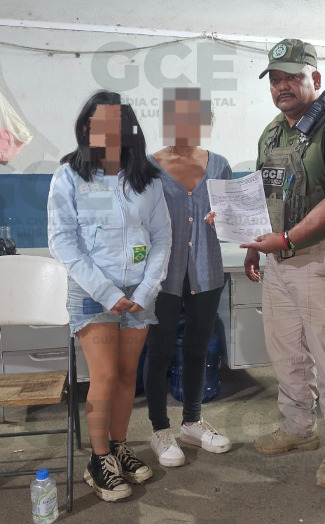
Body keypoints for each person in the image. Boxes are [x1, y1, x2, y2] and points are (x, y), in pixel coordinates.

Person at [240, 38, 325, 489]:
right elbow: (266, 193)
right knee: (286, 353)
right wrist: (256, 244)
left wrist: (288, 238)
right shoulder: (272, 132)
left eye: (292, 77)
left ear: (315, 77)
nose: (282, 86)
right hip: (279, 262)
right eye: (275, 79)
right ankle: (298, 428)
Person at [47, 90, 172, 501]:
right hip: (92, 292)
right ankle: (98, 460)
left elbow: (161, 238)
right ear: (86, 128)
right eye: (96, 123)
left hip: (138, 294)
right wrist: (105, 291)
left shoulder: (147, 179)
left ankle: (118, 447)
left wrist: (147, 288)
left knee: (125, 376)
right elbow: (63, 240)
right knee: (103, 375)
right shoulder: (70, 176)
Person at [145, 87, 232, 467]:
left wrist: (223, 220)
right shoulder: (147, 167)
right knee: (160, 350)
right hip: (162, 274)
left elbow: (231, 217)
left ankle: (192, 422)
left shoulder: (220, 165)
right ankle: (159, 430)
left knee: (197, 346)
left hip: (206, 269)